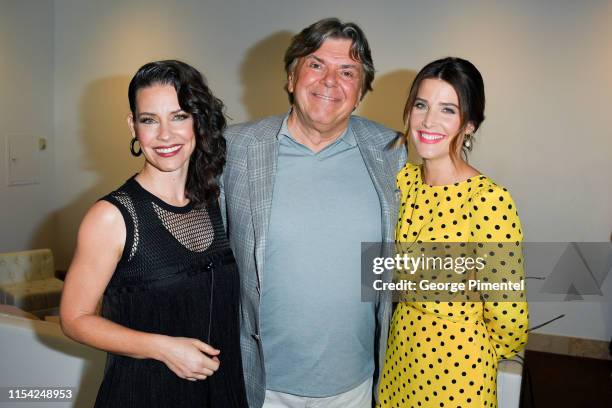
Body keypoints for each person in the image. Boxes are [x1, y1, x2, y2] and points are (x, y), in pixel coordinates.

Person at [219, 18, 407, 408]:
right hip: (260, 383)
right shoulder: (234, 150)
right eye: (317, 64)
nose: (329, 81)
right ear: (291, 77)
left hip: (355, 384)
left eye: (348, 71)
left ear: (360, 93)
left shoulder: (392, 151)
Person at [59, 60, 247, 408]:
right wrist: (163, 348)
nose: (165, 135)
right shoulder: (111, 217)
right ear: (133, 126)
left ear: (197, 121)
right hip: (145, 394)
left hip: (221, 393)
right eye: (149, 120)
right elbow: (74, 319)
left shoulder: (214, 202)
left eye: (178, 116)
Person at [376, 57, 529, 408]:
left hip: (458, 372)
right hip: (400, 358)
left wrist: (471, 344)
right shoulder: (402, 181)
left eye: (448, 109)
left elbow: (511, 317)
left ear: (470, 124)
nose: (429, 121)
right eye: (421, 105)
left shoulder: (489, 200)